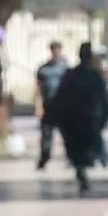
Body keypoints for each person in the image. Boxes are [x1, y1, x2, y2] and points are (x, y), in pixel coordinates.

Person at [45, 43, 108, 195]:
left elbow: (60, 97)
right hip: (87, 120)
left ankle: (83, 170)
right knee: (83, 151)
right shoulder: (94, 77)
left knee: (78, 153)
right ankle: (86, 169)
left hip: (75, 121)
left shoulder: (71, 75)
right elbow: (104, 100)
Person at [34, 41, 69, 170]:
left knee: (67, 135)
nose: (56, 53)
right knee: (46, 136)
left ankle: (71, 158)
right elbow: (37, 89)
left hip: (63, 108)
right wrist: (38, 107)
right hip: (48, 107)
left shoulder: (65, 69)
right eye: (54, 50)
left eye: (58, 50)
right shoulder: (43, 69)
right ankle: (44, 158)